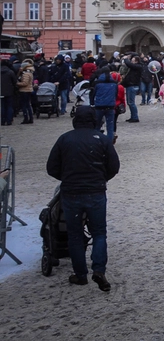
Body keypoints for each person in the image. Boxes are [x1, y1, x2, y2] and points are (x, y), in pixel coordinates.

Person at [45, 105, 120, 292]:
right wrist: (101, 178)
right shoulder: (102, 140)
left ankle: (80, 274)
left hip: (71, 192)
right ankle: (99, 270)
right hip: (96, 191)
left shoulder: (65, 139)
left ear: (75, 120)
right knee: (99, 232)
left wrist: (67, 178)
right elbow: (114, 166)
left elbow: (51, 167)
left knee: (75, 235)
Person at [16, 58, 34, 124]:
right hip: (28, 90)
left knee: (25, 105)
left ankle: (26, 118)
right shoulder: (29, 72)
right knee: (28, 105)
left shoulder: (26, 73)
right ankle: (30, 118)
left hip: (25, 90)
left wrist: (17, 83)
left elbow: (25, 83)